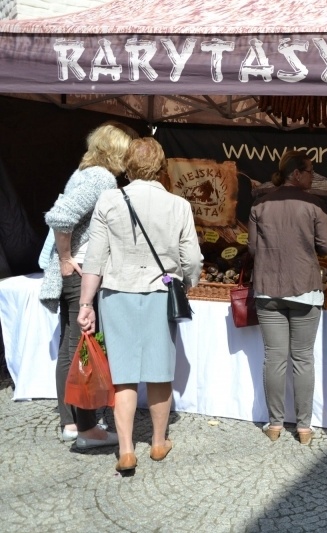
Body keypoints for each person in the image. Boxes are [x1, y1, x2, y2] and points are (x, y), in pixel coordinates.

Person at [77, 137, 202, 472]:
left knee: (124, 375)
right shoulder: (178, 205)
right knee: (160, 373)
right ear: (160, 167)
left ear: (127, 165)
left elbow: (95, 258)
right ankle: (159, 443)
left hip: (117, 294)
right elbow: (191, 259)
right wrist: (188, 282)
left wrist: (85, 303)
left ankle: (127, 450)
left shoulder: (110, 199)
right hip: (161, 294)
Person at [39, 121, 137, 447]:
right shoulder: (101, 178)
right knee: (80, 347)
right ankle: (85, 426)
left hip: (72, 272)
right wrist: (67, 258)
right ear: (116, 151)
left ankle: (71, 421)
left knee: (71, 345)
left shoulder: (84, 172)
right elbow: (60, 216)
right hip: (79, 273)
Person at [249, 150, 327, 445]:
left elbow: (254, 250)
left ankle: (274, 425)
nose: (312, 177)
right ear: (296, 173)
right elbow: (326, 247)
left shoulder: (259, 204)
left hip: (267, 288)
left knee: (274, 358)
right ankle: (305, 429)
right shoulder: (315, 205)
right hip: (305, 287)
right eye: (310, 172)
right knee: (302, 359)